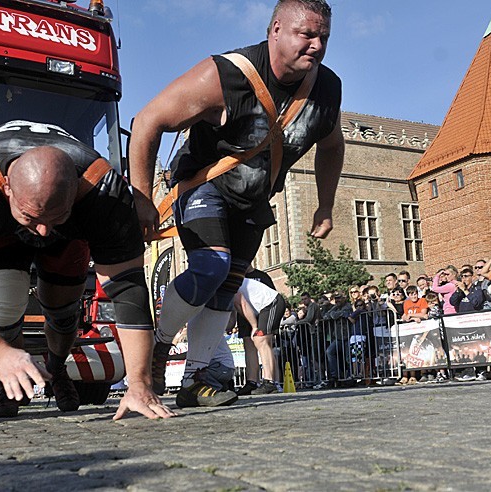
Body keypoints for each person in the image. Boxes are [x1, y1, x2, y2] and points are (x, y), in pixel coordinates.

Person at [131, 0, 343, 407]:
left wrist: (326, 205)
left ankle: (194, 381)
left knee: (226, 287)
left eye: (324, 37)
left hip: (254, 198)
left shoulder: (328, 88)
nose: (317, 45)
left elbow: (332, 146)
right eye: (307, 35)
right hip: (205, 184)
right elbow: (147, 121)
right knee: (212, 266)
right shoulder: (226, 74)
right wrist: (141, 199)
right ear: (275, 29)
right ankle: (158, 346)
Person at [0, 120, 173, 420]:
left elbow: (129, 290)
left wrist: (140, 385)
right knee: (4, 307)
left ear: (77, 190)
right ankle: (12, 374)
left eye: (55, 215)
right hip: (3, 228)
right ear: (7, 187)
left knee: (63, 309)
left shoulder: (103, 190)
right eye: (31, 217)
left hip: (70, 230)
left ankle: (57, 367)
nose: (42, 231)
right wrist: (0, 355)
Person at [234, 273, 287, 395]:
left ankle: (270, 382)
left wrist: (254, 327)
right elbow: (232, 312)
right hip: (257, 308)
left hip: (271, 303)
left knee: (260, 339)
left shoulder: (228, 282)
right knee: (249, 342)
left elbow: (242, 304)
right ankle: (252, 382)